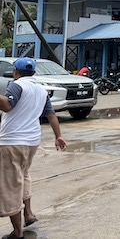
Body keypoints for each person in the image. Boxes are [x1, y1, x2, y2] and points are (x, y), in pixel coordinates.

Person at [0, 58, 68, 239]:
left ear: (15, 71)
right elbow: (51, 114)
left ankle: (18, 232)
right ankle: (28, 214)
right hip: (31, 141)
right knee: (23, 175)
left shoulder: (18, 85)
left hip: (13, 141)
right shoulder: (40, 89)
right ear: (34, 72)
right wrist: (58, 136)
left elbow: (6, 106)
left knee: (10, 184)